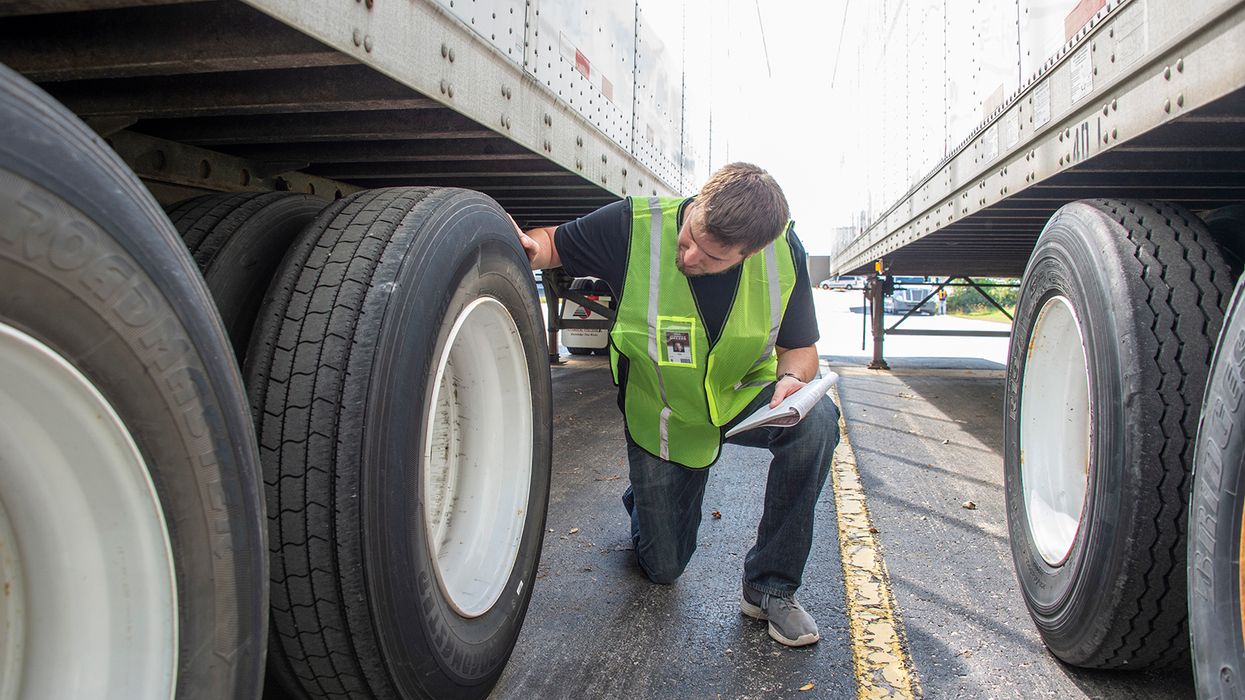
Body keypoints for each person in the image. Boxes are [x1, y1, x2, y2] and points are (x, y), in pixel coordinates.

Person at [515, 162, 839, 647]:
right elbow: (550, 244)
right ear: (699, 201)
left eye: (710, 258)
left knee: (817, 424)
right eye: (689, 237)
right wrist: (527, 246)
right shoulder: (632, 224)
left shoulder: (783, 253)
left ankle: (771, 588)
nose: (688, 256)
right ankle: (644, 501)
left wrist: (793, 379)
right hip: (662, 414)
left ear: (748, 253)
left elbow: (799, 349)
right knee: (662, 568)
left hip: (738, 397)